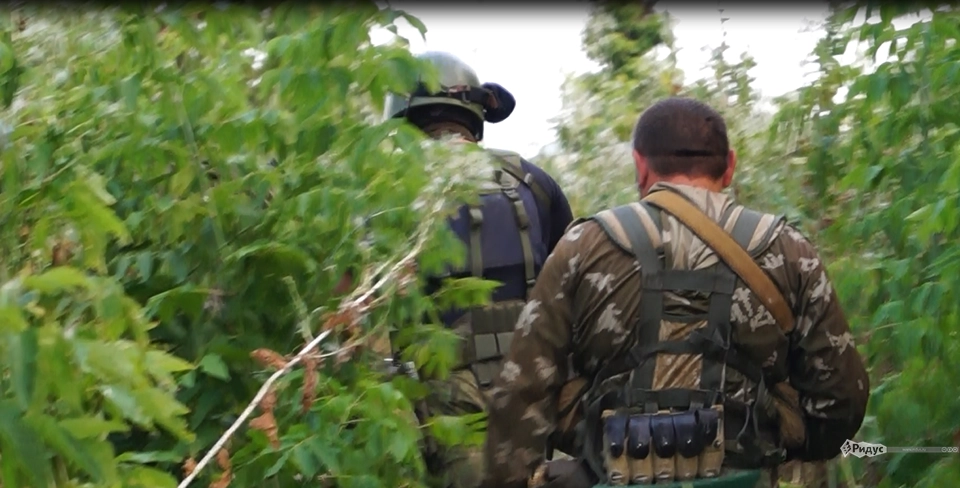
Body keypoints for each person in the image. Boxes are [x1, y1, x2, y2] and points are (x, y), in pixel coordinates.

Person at [479, 97, 869, 488]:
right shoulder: (789, 249)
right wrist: (779, 440)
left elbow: (521, 393)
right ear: (729, 166)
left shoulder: (582, 246)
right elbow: (842, 399)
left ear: (640, 165)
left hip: (610, 477)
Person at [383, 51, 574, 488]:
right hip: (533, 398)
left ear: (406, 119)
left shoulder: (389, 191)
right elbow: (573, 284)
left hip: (445, 411)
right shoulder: (534, 183)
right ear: (473, 116)